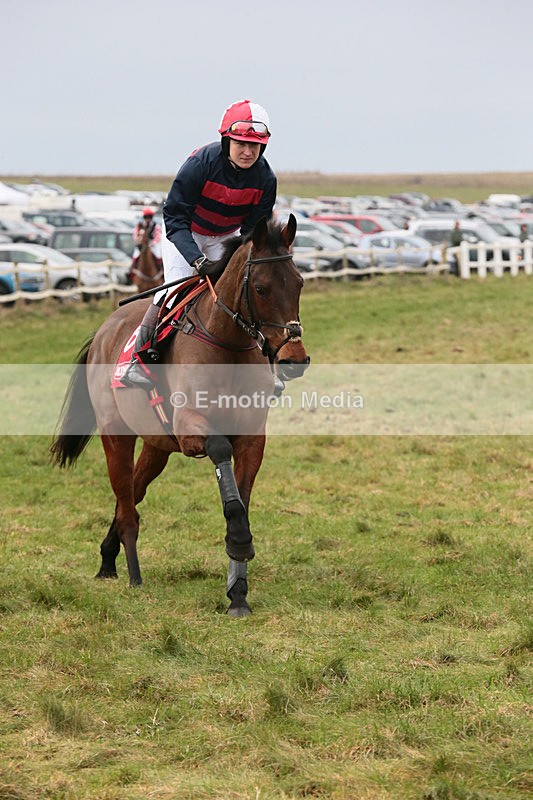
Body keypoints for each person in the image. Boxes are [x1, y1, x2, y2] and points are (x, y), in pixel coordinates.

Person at [122, 99, 277, 388]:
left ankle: (267, 366)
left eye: (254, 146)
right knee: (172, 291)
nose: (247, 152)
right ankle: (140, 360)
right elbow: (174, 218)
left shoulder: (266, 179)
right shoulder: (199, 165)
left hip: (227, 236)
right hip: (186, 233)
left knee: (245, 293)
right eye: (241, 144)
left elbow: (253, 231)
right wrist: (196, 259)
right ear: (226, 140)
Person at [129, 207, 163, 280]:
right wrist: (138, 241)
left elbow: (158, 236)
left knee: (158, 255)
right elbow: (135, 234)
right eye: (146, 217)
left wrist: (152, 243)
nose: (148, 219)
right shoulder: (139, 225)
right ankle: (131, 273)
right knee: (135, 256)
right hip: (142, 244)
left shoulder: (156, 226)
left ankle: (161, 271)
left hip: (152, 245)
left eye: (149, 217)